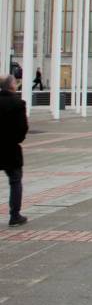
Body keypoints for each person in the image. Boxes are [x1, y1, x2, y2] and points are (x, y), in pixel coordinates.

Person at [0, 75, 28, 227]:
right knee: (15, 181)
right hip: (10, 148)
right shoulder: (18, 103)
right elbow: (22, 128)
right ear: (12, 86)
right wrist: (17, 139)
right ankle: (14, 215)